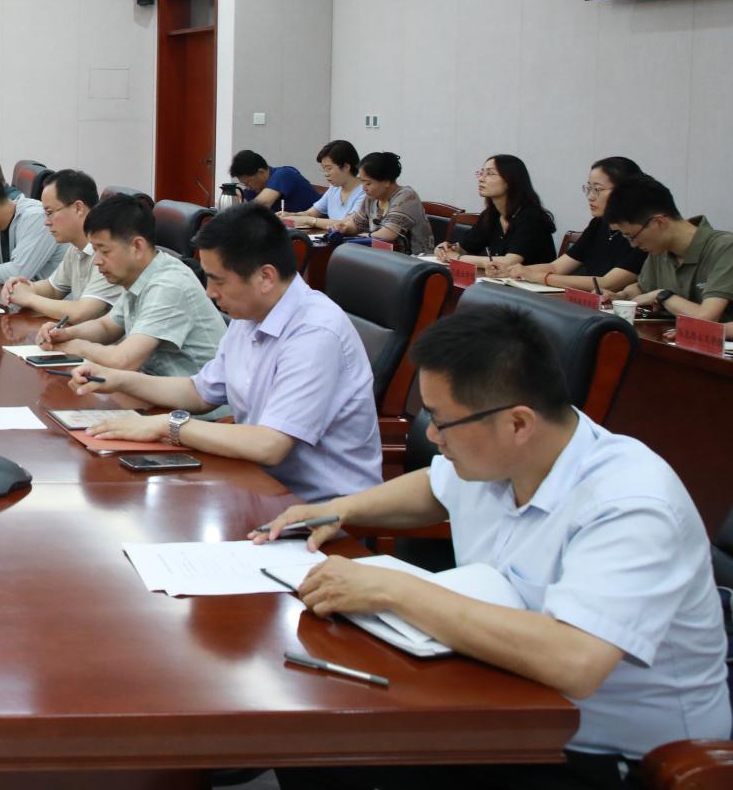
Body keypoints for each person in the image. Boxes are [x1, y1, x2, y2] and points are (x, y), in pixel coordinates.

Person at [260, 306, 729, 788]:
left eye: (441, 421)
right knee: (310, 731)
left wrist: (393, 589)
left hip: (610, 756)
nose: (432, 436)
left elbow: (576, 660)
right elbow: (432, 488)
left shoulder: (630, 503)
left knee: (334, 748)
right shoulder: (506, 453)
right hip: (508, 701)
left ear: (518, 423)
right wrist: (340, 510)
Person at [73, 204, 381, 500]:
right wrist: (118, 379)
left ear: (265, 277)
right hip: (255, 484)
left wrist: (168, 425)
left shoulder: (315, 333)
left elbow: (270, 444)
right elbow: (199, 392)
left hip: (320, 509)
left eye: (217, 280)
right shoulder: (250, 315)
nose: (209, 292)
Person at [38, 193, 224, 396]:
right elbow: (107, 326)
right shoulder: (139, 274)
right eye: (95, 250)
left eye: (104, 251)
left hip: (196, 406)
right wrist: (66, 334)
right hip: (154, 394)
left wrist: (76, 347)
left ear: (137, 246)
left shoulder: (169, 284)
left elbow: (123, 360)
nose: (97, 261)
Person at [499, 157, 647, 294]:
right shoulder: (599, 224)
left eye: (598, 189)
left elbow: (607, 283)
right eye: (589, 188)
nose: (590, 197)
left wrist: (542, 277)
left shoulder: (642, 232)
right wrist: (513, 270)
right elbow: (556, 267)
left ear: (625, 191)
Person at [605, 174, 733, 323]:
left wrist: (661, 296)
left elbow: (706, 317)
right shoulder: (660, 248)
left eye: (632, 236)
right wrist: (621, 296)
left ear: (659, 222)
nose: (633, 245)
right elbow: (643, 288)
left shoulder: (725, 248)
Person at [2, 169, 120, 325]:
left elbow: (80, 312)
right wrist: (22, 287)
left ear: (78, 208)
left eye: (50, 212)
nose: (46, 222)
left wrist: (29, 298)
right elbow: (53, 288)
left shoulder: (108, 255)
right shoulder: (75, 247)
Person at [436, 154, 557, 270]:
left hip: (533, 283)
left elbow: (509, 262)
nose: (481, 179)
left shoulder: (531, 218)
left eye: (490, 173)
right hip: (501, 281)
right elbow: (465, 247)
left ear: (510, 180)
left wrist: (459, 258)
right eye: (481, 173)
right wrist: (446, 249)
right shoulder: (492, 214)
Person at [331, 150, 434, 254]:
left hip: (414, 259)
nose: (363, 188)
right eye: (362, 182)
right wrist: (344, 228)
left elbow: (388, 234)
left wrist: (368, 236)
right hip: (383, 256)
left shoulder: (407, 196)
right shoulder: (371, 198)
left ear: (386, 181)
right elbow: (357, 225)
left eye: (368, 183)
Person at [281, 140, 365, 231]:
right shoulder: (334, 189)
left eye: (329, 168)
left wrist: (309, 221)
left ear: (346, 167)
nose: (325, 174)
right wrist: (289, 215)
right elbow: (310, 213)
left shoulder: (365, 191)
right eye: (323, 169)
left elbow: (345, 224)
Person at [229, 150, 321, 212]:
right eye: (244, 184)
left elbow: (260, 206)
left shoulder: (284, 174)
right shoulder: (254, 188)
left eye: (249, 182)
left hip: (320, 228)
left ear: (261, 172)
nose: (248, 187)